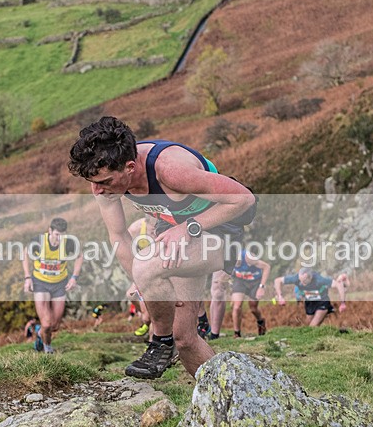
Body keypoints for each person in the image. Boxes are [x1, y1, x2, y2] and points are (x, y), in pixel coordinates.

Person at [69, 116, 255, 379]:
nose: (98, 190)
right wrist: (146, 284)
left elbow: (244, 199)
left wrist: (189, 227)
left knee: (146, 266)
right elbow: (119, 236)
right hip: (177, 234)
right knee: (185, 338)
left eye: (106, 182)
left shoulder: (170, 170)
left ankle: (159, 342)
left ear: (130, 167)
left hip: (220, 227)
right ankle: (224, 399)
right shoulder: (103, 181)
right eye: (94, 182)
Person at [22, 217, 84, 354]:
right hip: (40, 283)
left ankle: (39, 333)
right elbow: (25, 253)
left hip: (59, 284)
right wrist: (27, 277)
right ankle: (48, 349)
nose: (59, 238)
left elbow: (79, 256)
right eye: (57, 235)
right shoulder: (39, 241)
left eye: (62, 235)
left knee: (54, 326)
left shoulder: (68, 243)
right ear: (50, 231)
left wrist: (74, 277)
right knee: (47, 323)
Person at [273, 267, 346, 327]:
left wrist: (343, 303)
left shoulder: (319, 280)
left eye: (304, 281)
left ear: (310, 278)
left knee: (312, 326)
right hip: (309, 303)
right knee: (307, 325)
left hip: (322, 303)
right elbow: (277, 281)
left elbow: (338, 284)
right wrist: (280, 296)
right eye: (300, 280)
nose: (301, 283)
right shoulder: (296, 278)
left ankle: (326, 312)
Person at [230, 249, 271, 338]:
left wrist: (261, 287)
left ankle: (261, 322)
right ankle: (237, 333)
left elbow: (266, 267)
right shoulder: (226, 260)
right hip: (240, 280)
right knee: (236, 307)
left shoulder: (249, 257)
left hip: (255, 282)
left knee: (253, 308)